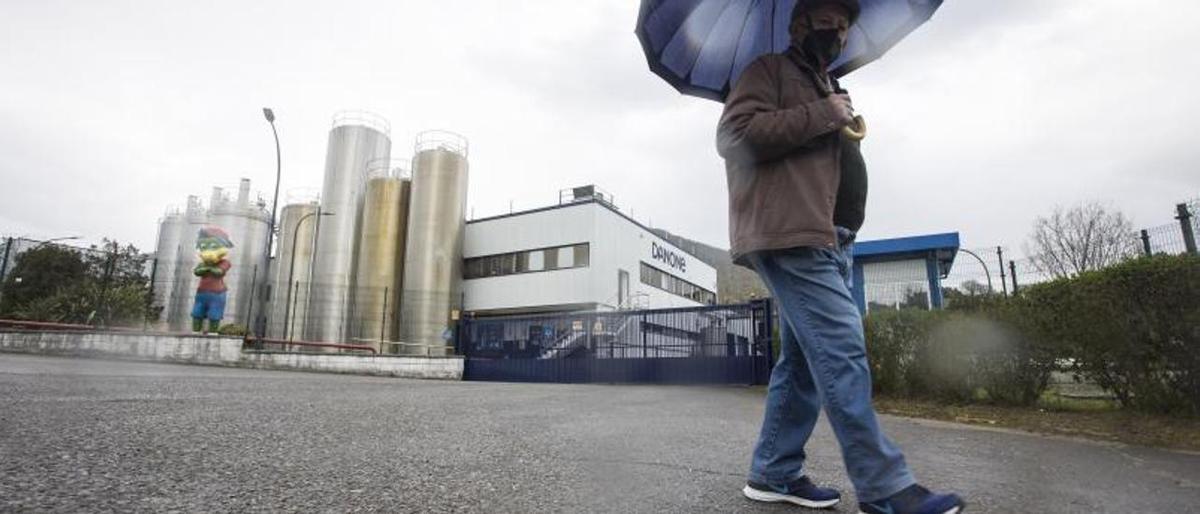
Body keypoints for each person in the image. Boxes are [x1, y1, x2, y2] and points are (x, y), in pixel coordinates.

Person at [715, 1, 966, 513]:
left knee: (805, 362)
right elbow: (734, 135)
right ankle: (885, 487)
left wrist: (835, 112)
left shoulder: (826, 85)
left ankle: (773, 472)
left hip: (832, 238)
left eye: (847, 24)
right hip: (790, 233)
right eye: (832, 21)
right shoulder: (768, 71)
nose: (842, 32)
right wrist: (822, 115)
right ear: (801, 25)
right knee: (841, 348)